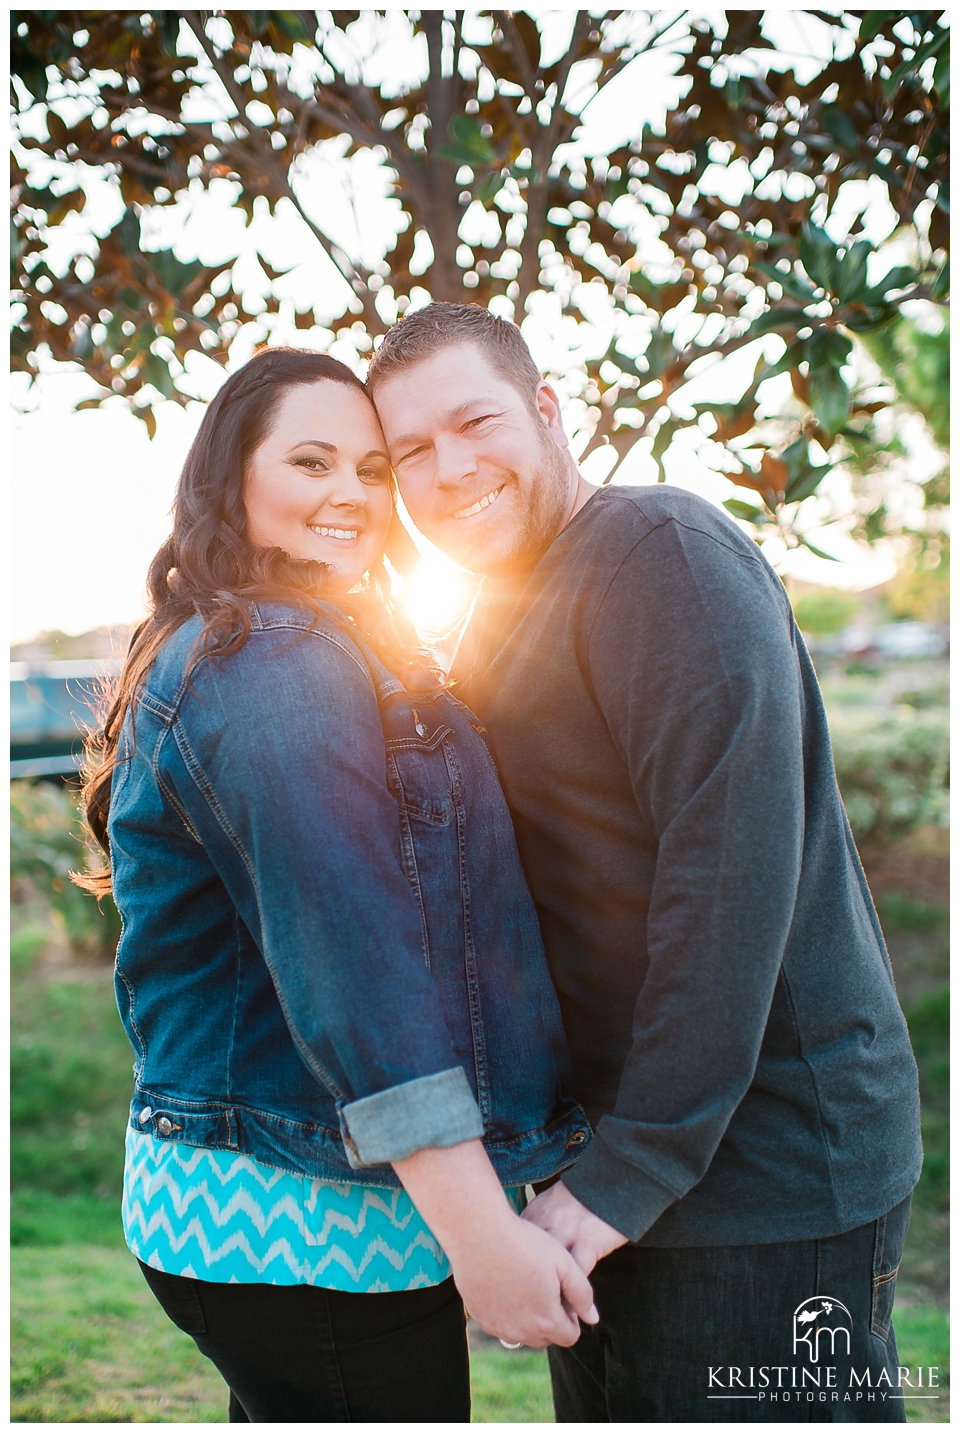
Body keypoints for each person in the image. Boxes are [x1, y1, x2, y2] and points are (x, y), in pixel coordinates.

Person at [368, 303, 924, 1424]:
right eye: (412, 452)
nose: (450, 468)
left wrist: (629, 1169)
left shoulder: (660, 558)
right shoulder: (504, 611)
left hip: (767, 1178)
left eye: (474, 422)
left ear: (547, 409)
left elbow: (727, 888)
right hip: (623, 1173)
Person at [74, 346, 597, 1424]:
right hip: (301, 1219)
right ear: (233, 478)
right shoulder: (272, 660)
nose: (352, 495)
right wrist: (479, 1235)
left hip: (247, 1200)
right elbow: (357, 968)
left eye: (369, 469)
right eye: (312, 462)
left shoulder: (263, 641)